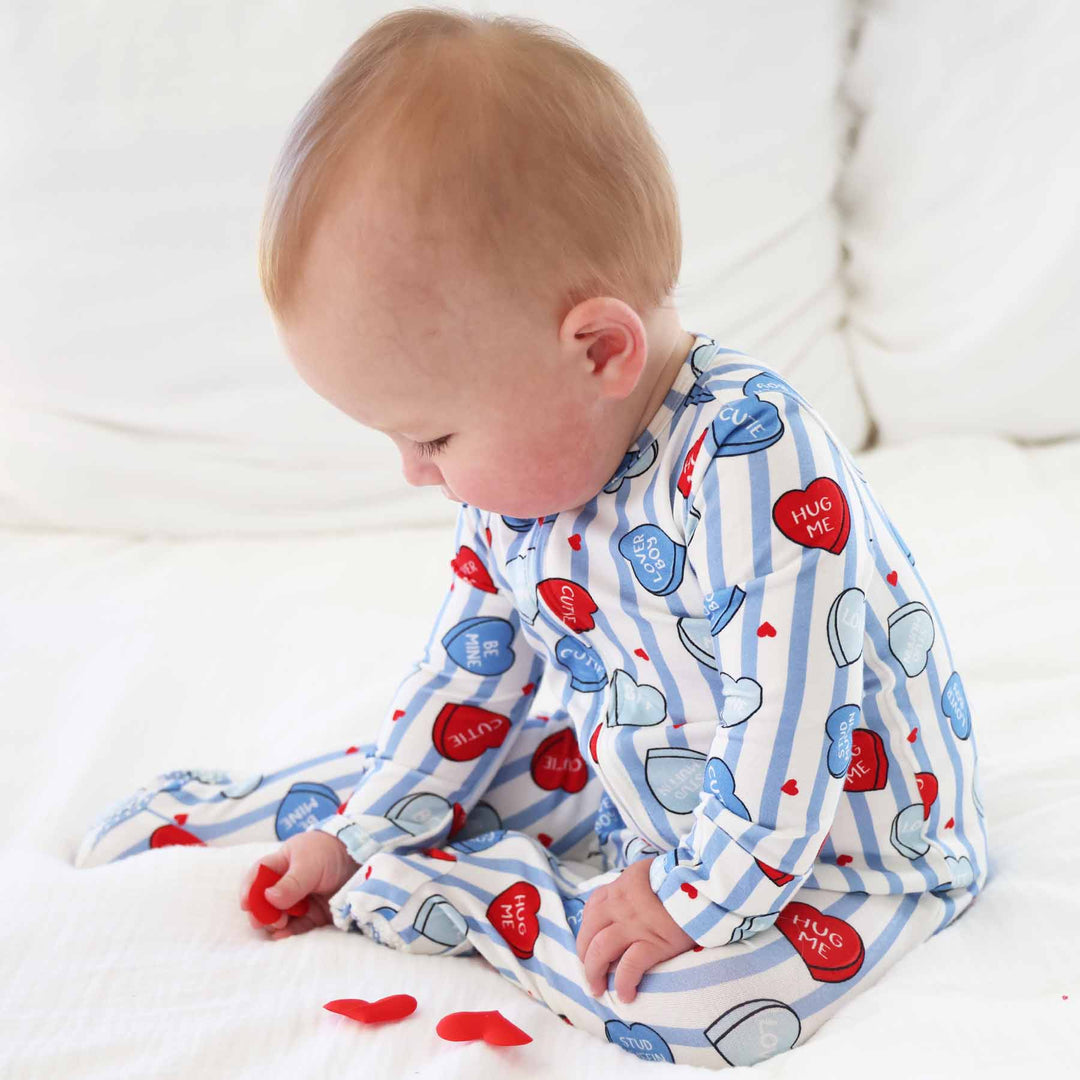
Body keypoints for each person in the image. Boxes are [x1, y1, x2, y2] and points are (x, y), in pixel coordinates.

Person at [74, 7, 989, 1068]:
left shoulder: (752, 455)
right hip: (648, 773)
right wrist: (365, 827)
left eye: (434, 434)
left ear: (597, 349)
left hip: (841, 842)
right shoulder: (522, 477)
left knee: (696, 1009)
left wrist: (694, 899)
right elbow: (472, 678)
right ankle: (318, 828)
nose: (416, 473)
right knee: (454, 761)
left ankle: (461, 893)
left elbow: (789, 724)